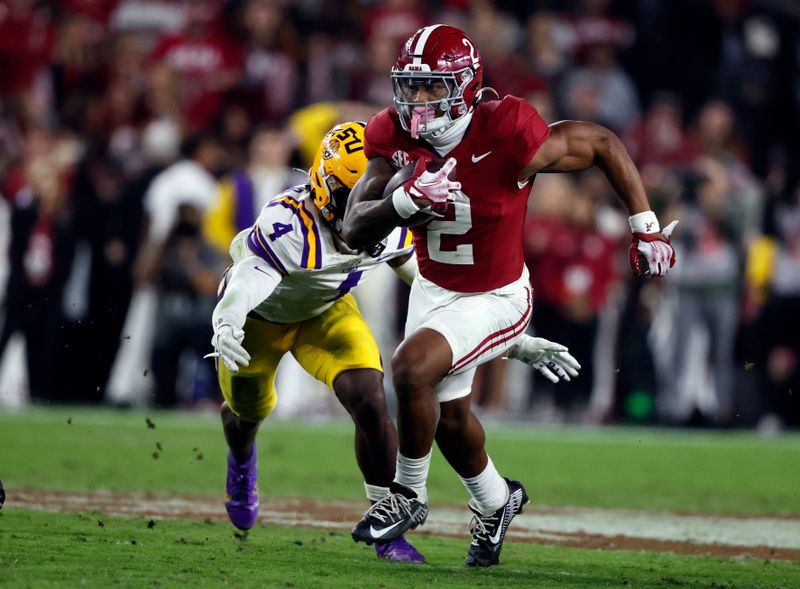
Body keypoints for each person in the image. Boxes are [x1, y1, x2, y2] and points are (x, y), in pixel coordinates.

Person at [342, 24, 676, 567]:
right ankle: (498, 502)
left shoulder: (508, 129)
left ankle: (408, 495)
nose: (417, 101)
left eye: (433, 87)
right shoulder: (391, 133)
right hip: (432, 288)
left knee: (408, 370)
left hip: (497, 293)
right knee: (448, 422)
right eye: (411, 86)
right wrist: (402, 202)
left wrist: (645, 224)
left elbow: (601, 142)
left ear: (467, 86)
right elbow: (356, 227)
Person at [207, 121, 578, 563]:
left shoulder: (386, 222)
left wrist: (514, 340)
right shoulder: (289, 225)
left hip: (326, 313)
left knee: (369, 396)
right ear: (327, 189)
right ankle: (242, 459)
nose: (372, 204)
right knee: (248, 414)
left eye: (380, 191)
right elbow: (249, 280)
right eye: (361, 193)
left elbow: (444, 297)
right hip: (259, 318)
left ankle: (388, 530)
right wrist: (227, 321)